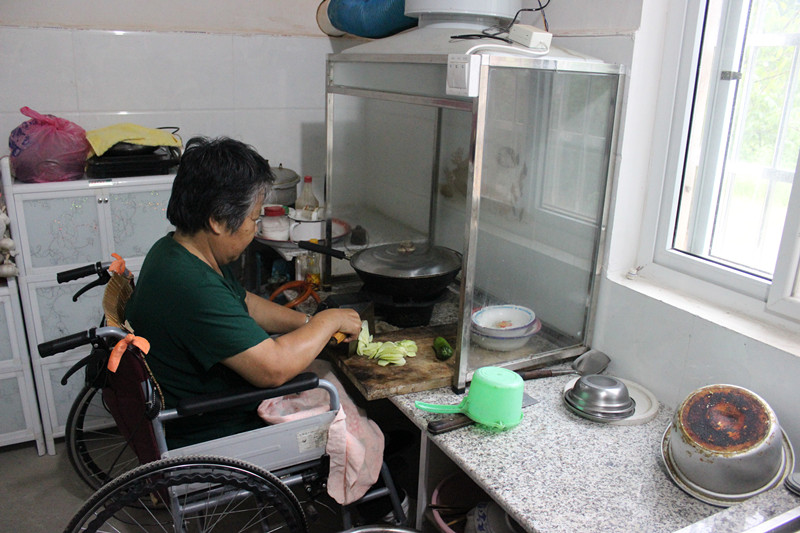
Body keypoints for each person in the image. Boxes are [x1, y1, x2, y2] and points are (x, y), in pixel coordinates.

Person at [125, 136, 363, 448]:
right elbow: (272, 370)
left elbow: (243, 302)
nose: (255, 227)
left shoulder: (175, 250)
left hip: (211, 402)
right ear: (218, 222)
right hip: (217, 425)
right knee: (341, 400)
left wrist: (306, 325)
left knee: (320, 372)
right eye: (254, 218)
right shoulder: (191, 285)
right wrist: (327, 322)